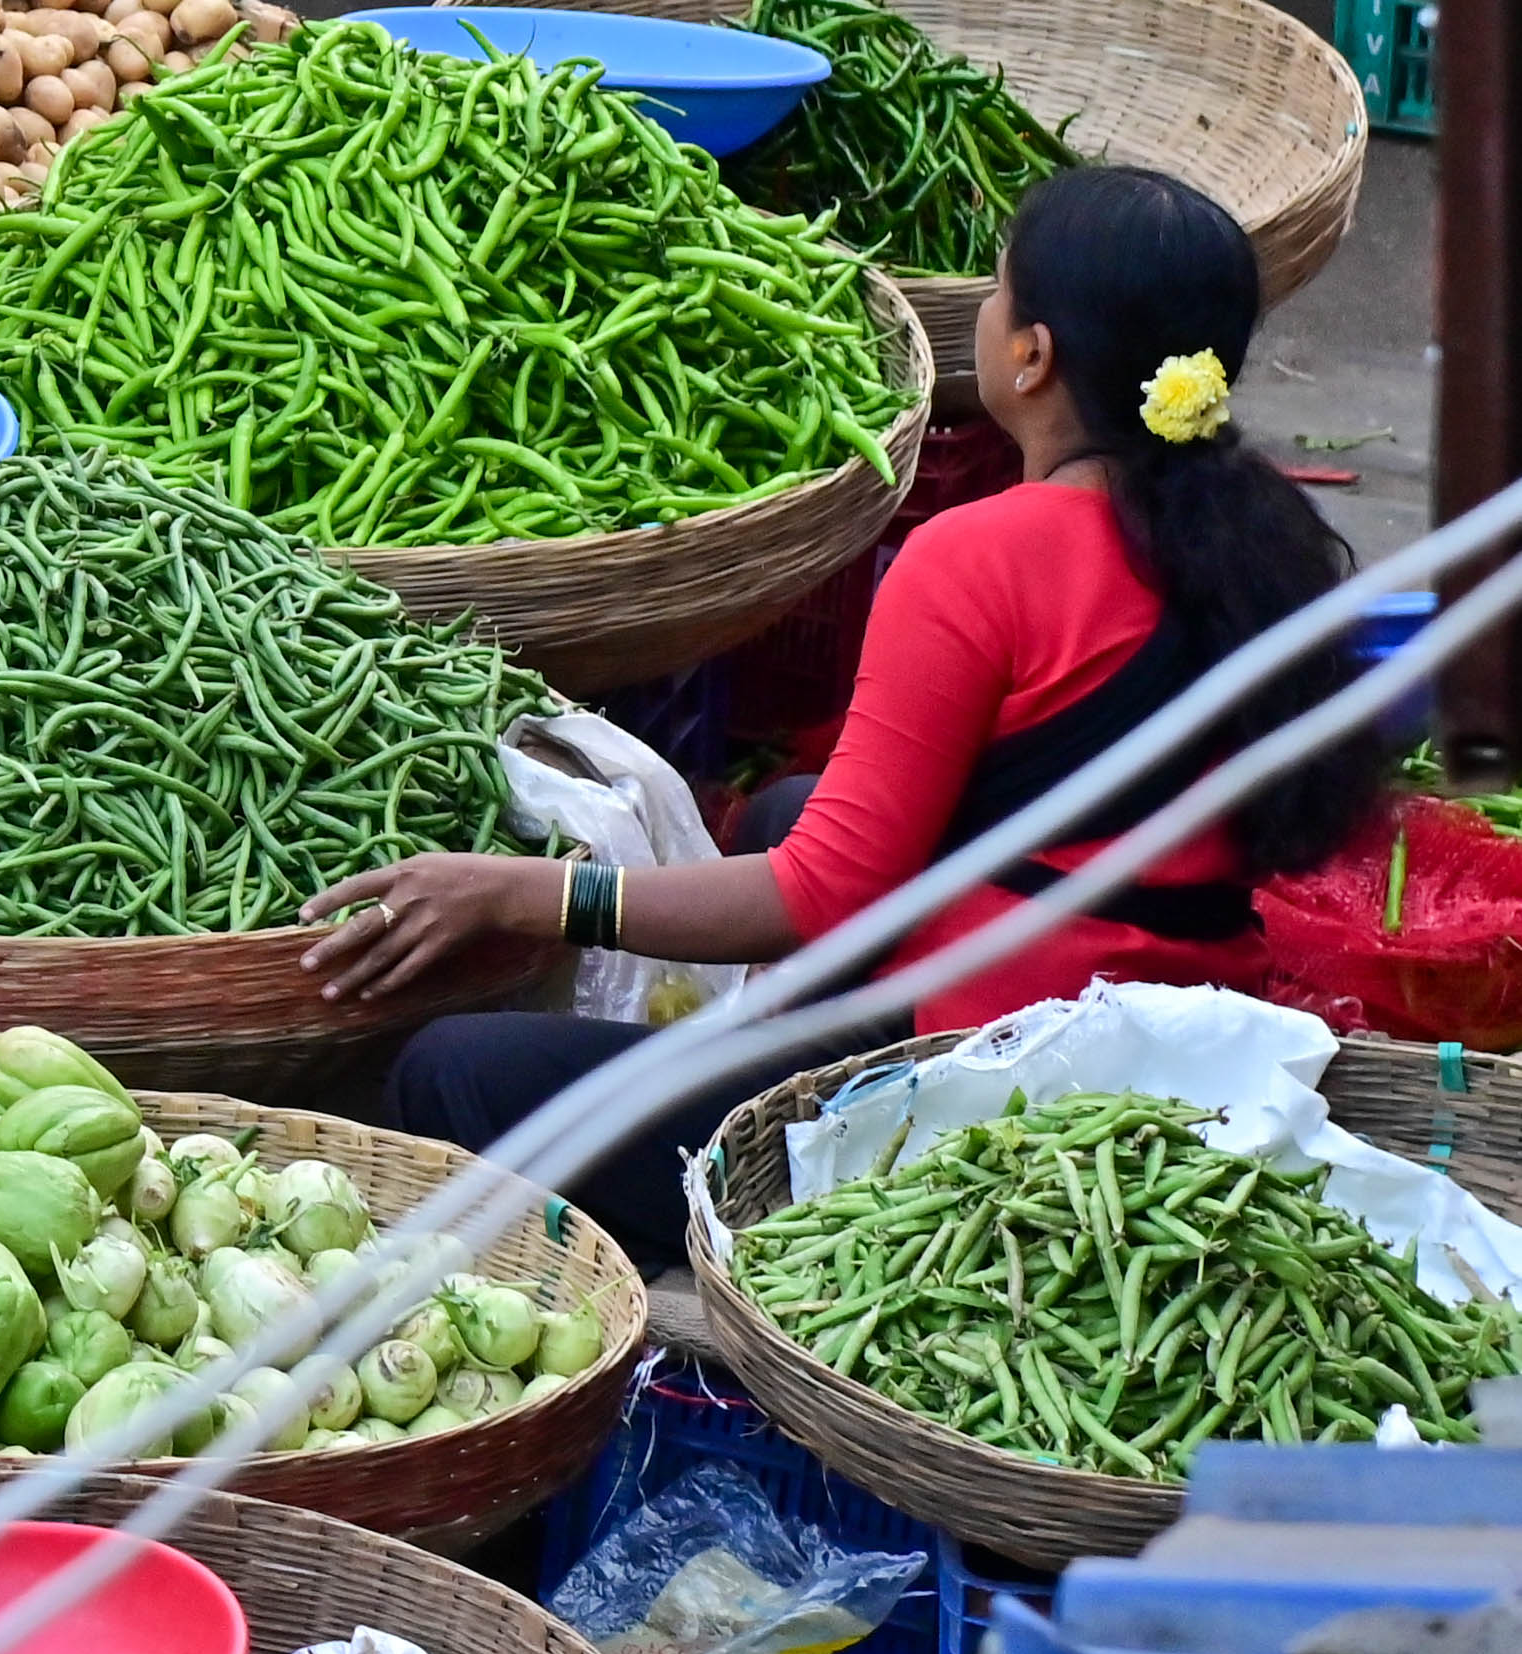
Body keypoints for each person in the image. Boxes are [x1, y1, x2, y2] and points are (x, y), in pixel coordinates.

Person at [306, 167, 1384, 1270]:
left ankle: (754, 1221)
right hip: (1185, 1032)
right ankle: (770, 1077)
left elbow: (822, 894)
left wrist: (529, 894)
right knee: (787, 804)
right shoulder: (1264, 545)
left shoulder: (978, 558)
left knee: (454, 1071)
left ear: (1033, 353)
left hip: (1002, 1101)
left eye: (1002, 291)